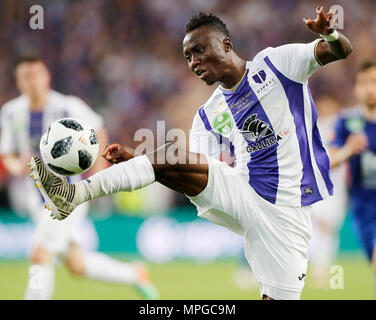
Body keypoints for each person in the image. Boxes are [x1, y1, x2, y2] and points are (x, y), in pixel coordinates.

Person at [29, 6, 352, 300]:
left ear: (226, 45)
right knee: (172, 153)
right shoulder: (208, 115)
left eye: (199, 50)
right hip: (243, 192)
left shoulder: (277, 64)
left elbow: (339, 50)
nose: (194, 62)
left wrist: (329, 33)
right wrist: (151, 163)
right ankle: (73, 194)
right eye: (187, 57)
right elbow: (195, 176)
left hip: (287, 211)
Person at [0, 56, 159, 300]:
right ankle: (134, 274)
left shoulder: (67, 106)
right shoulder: (11, 113)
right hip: (36, 201)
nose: (33, 81)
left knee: (40, 253)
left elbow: (98, 129)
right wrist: (15, 166)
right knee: (77, 265)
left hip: (68, 196)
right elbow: (7, 154)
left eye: (37, 75)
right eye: (26, 77)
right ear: (19, 81)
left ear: (47, 77)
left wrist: (95, 175)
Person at [329, 61, 376, 295]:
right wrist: (348, 149)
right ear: (355, 88)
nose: (370, 89)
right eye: (364, 83)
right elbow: (327, 162)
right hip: (364, 210)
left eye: (375, 83)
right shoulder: (346, 122)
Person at [309, 96, 348, 287]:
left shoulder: (341, 126)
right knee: (322, 228)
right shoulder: (316, 127)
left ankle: (323, 269)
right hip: (320, 188)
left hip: (337, 189)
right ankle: (321, 271)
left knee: (329, 230)